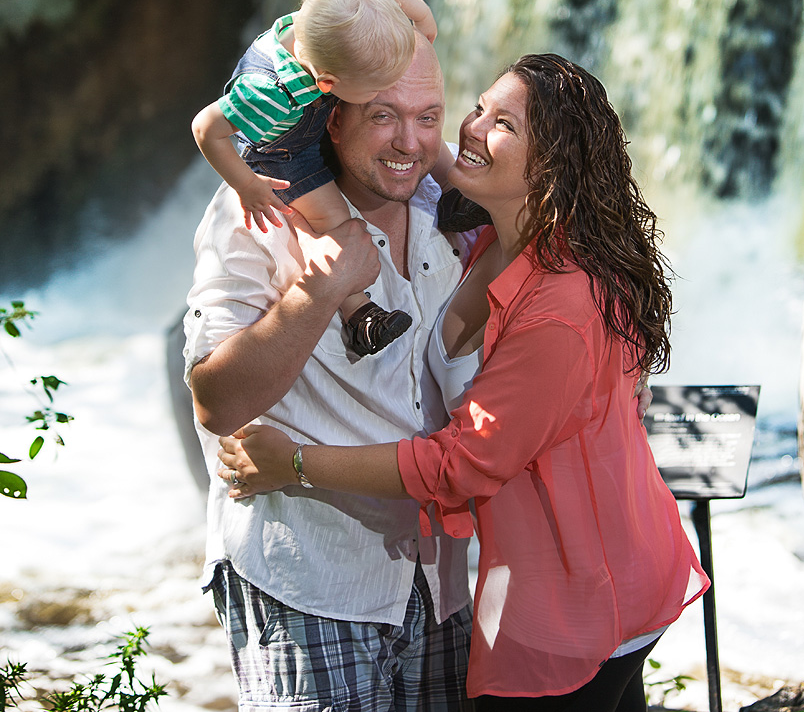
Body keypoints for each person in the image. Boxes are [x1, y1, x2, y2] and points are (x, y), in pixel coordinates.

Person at [217, 53, 710, 711]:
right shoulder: (490, 231)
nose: (471, 129)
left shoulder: (561, 304)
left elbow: (464, 464)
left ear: (552, 167)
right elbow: (368, 139)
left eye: (501, 122)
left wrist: (295, 464)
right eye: (477, 107)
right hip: (568, 562)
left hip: (581, 590)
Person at [184, 34, 476, 712]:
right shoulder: (256, 210)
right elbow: (216, 402)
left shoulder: (449, 201)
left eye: (427, 116)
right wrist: (317, 291)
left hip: (442, 579)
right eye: (382, 115)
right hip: (308, 576)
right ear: (331, 115)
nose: (409, 142)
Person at [192, 0, 452, 356]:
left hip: (313, 110)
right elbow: (205, 129)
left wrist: (416, 17)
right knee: (335, 222)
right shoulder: (267, 97)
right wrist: (246, 185)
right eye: (376, 97)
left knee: (419, 133)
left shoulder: (336, 17)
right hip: (283, 152)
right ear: (328, 85)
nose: (389, 90)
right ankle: (361, 315)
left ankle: (457, 196)